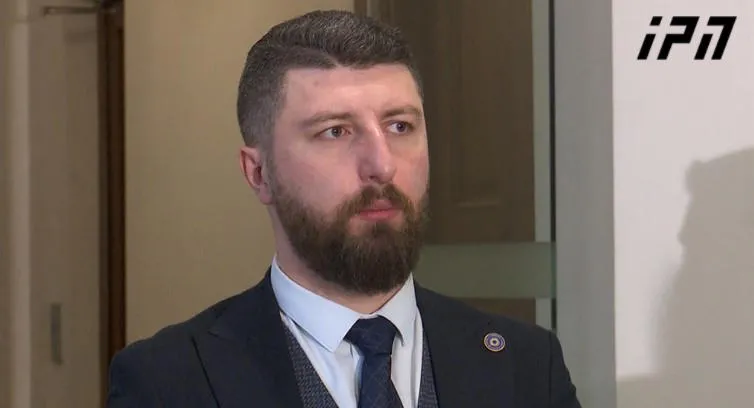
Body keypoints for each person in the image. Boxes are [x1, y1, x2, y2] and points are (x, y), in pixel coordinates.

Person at [108, 9, 581, 408]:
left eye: (399, 126)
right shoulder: (167, 382)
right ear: (259, 173)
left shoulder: (526, 367)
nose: (382, 165)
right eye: (335, 131)